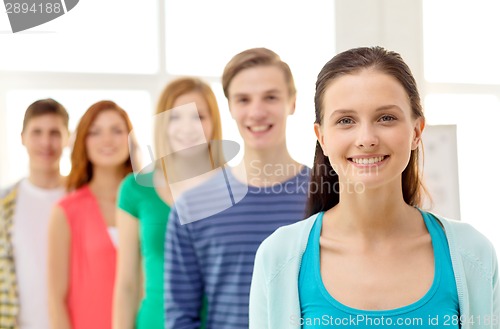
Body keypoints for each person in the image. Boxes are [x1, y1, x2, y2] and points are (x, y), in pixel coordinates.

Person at [249, 46, 499, 329]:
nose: (366, 138)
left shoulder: (472, 253)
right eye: (345, 121)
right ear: (322, 137)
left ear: (416, 131)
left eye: (386, 118)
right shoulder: (278, 257)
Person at [164, 48, 311, 329]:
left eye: (271, 97)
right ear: (230, 107)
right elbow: (181, 319)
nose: (257, 111)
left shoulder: (331, 195)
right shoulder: (191, 207)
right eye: (243, 99)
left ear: (292, 101)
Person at [113, 77, 223, 329]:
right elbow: (127, 285)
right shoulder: (135, 189)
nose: (187, 127)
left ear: (213, 123)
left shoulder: (234, 187)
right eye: (175, 117)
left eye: (198, 116)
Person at [47, 100, 134, 329]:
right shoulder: (66, 211)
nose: (107, 140)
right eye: (95, 132)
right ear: (83, 140)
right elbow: (56, 300)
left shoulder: (147, 204)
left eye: (116, 130)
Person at [0, 99, 69, 329]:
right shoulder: (4, 204)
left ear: (67, 138)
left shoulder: (81, 197)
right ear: (22, 137)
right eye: (37, 132)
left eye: (54, 133)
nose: (45, 142)